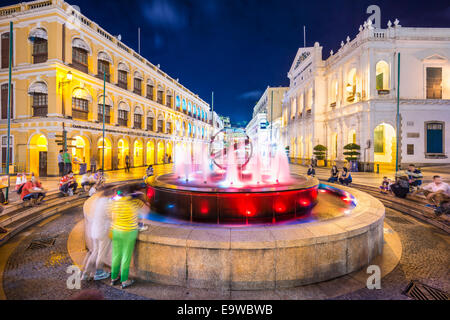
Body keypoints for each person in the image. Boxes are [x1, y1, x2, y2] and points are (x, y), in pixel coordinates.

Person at [110, 184, 148, 289]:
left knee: (116, 255)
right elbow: (146, 212)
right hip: (129, 231)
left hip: (116, 230)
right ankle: (124, 280)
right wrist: (142, 198)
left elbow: (112, 216)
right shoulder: (135, 202)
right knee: (126, 257)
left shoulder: (115, 202)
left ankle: (113, 278)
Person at [82, 186, 114, 281]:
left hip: (94, 229)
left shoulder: (97, 201)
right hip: (103, 231)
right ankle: (99, 272)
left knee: (95, 252)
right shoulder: (107, 203)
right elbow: (112, 216)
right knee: (101, 253)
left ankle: (86, 273)